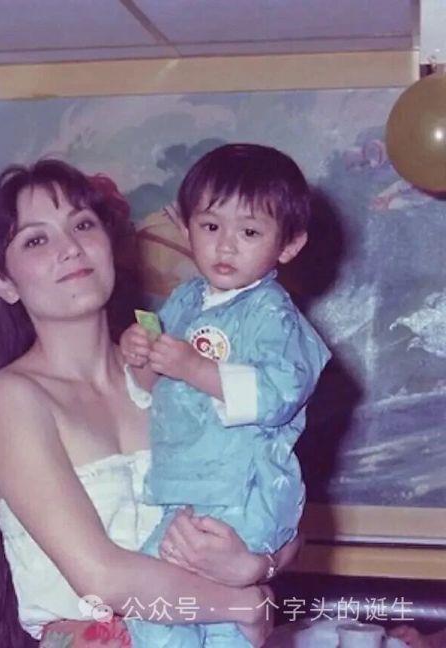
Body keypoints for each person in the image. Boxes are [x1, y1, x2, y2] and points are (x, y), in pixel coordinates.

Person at [0, 159, 299, 648]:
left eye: (83, 225)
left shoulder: (176, 363)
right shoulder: (11, 399)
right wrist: (241, 603)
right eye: (36, 240)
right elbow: (101, 576)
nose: (70, 248)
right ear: (3, 281)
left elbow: (274, 490)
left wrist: (258, 564)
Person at [120, 143, 330, 646]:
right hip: (187, 490)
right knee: (158, 610)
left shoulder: (272, 313)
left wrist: (195, 368)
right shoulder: (186, 300)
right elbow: (153, 388)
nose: (226, 246)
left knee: (204, 617)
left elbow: (280, 392)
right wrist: (140, 355)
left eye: (250, 232)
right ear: (186, 226)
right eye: (211, 226)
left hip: (242, 493)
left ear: (288, 244)